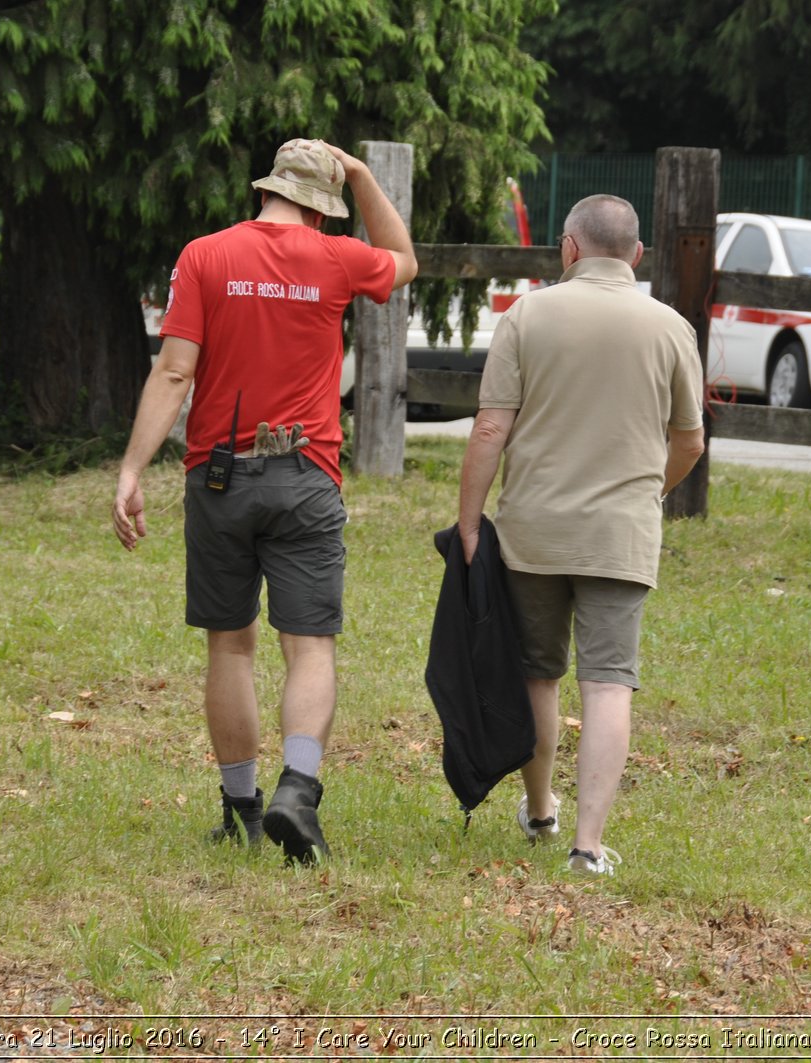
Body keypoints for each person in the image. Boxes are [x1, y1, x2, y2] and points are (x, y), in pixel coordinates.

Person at [112, 138, 417, 864]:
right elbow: (404, 259)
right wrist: (368, 179)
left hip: (219, 478)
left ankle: (242, 807)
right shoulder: (340, 258)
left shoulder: (206, 255)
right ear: (323, 207)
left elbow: (175, 372)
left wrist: (131, 467)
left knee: (231, 644)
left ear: (269, 190)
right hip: (306, 474)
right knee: (308, 646)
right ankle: (299, 789)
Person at [456, 193, 706, 876]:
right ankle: (588, 847)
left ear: (567, 248)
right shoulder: (669, 327)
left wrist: (470, 520)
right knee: (608, 685)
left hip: (534, 529)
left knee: (539, 675)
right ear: (637, 254)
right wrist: (646, 490)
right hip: (619, 535)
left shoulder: (528, 314)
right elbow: (689, 440)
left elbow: (489, 428)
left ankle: (541, 810)